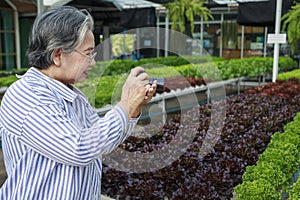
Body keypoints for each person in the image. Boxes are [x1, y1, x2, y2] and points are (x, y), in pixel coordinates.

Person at [0, 6, 156, 199]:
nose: (92, 62)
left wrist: (133, 108)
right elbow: (79, 149)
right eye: (88, 53)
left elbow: (100, 143)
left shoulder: (68, 93)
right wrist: (125, 104)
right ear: (58, 55)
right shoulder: (27, 96)